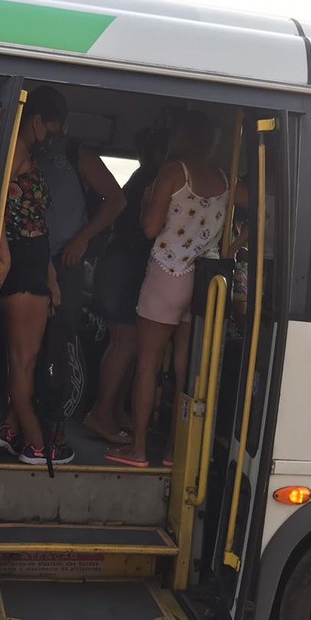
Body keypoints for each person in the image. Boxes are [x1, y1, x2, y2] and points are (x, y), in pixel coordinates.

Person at [105, 110, 246, 468]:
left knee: (148, 366)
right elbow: (263, 208)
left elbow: (150, 228)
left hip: (168, 274)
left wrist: (146, 202)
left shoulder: (173, 172)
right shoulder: (224, 179)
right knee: (186, 370)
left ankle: (137, 449)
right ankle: (173, 451)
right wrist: (233, 246)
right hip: (203, 281)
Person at [30, 85, 126, 458]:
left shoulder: (78, 153)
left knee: (60, 341)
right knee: (24, 344)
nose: (52, 134)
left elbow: (116, 199)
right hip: (29, 259)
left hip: (66, 262)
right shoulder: (24, 151)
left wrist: (83, 239)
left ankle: (55, 422)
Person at [0, 91, 68, 466]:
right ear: (36, 120)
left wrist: (51, 279)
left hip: (33, 266)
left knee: (24, 360)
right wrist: (3, 255)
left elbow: (37, 224)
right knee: (24, 362)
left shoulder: (21, 151)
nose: (53, 137)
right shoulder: (16, 147)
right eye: (52, 128)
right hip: (23, 265)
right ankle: (37, 445)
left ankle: (9, 429)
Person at [83, 127, 168, 444]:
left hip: (117, 263)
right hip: (125, 266)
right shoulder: (154, 179)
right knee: (126, 342)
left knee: (125, 343)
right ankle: (102, 414)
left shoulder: (142, 176)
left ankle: (114, 411)